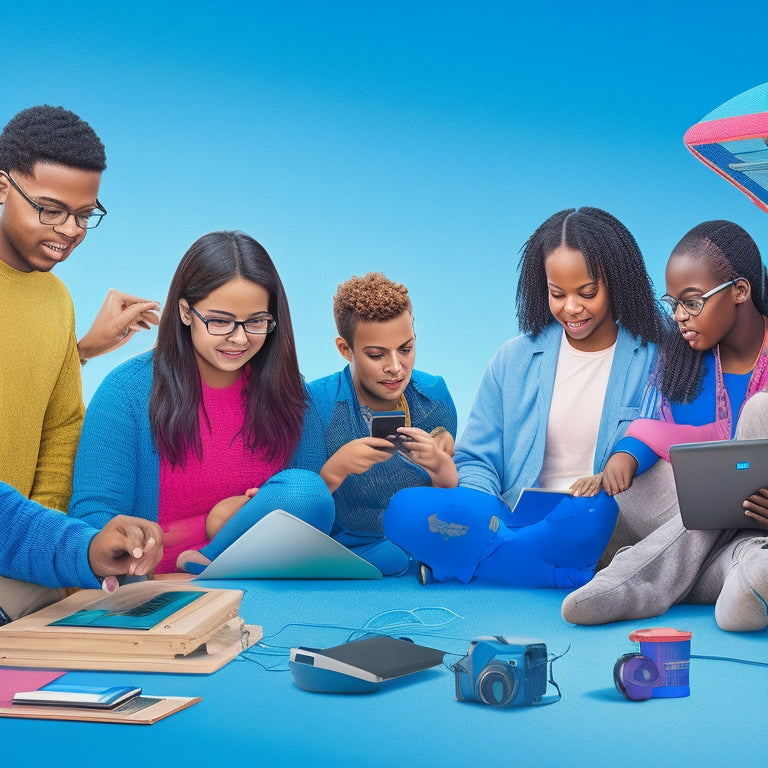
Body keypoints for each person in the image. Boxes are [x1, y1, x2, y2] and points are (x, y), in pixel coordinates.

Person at [384, 207, 665, 586]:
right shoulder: (513, 358)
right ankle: (544, 571)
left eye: (587, 292)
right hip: (507, 514)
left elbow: (657, 444)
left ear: (616, 282)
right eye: (557, 293)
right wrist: (480, 510)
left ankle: (470, 561)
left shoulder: (653, 358)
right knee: (402, 510)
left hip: (586, 515)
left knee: (593, 512)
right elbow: (476, 459)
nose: (571, 308)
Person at [69, 231, 334, 574]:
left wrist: (233, 521)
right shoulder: (126, 393)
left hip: (264, 579)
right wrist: (213, 522)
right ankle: (209, 561)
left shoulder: (293, 395)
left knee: (308, 491)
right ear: (185, 312)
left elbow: (308, 514)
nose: (239, 338)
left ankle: (208, 559)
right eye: (220, 321)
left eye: (256, 322)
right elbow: (93, 524)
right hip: (156, 589)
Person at [562, 220, 768, 631]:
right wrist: (627, 452)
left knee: (760, 413)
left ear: (740, 291)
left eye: (692, 302)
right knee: (640, 482)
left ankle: (643, 579)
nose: (679, 317)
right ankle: (739, 574)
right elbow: (659, 428)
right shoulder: (682, 363)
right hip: (691, 512)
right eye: (673, 303)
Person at [0, 105, 159, 620]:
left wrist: (47, 566)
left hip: (19, 553)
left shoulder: (56, 299)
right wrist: (67, 548)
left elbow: (61, 426)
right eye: (49, 209)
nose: (69, 229)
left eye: (84, 214)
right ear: (3, 186)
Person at [289, 272, 458, 576]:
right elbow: (300, 508)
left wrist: (437, 462)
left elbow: (448, 498)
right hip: (340, 547)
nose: (395, 367)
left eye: (405, 349)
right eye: (377, 354)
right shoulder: (315, 403)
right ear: (345, 349)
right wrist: (337, 468)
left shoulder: (434, 398)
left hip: (419, 542)